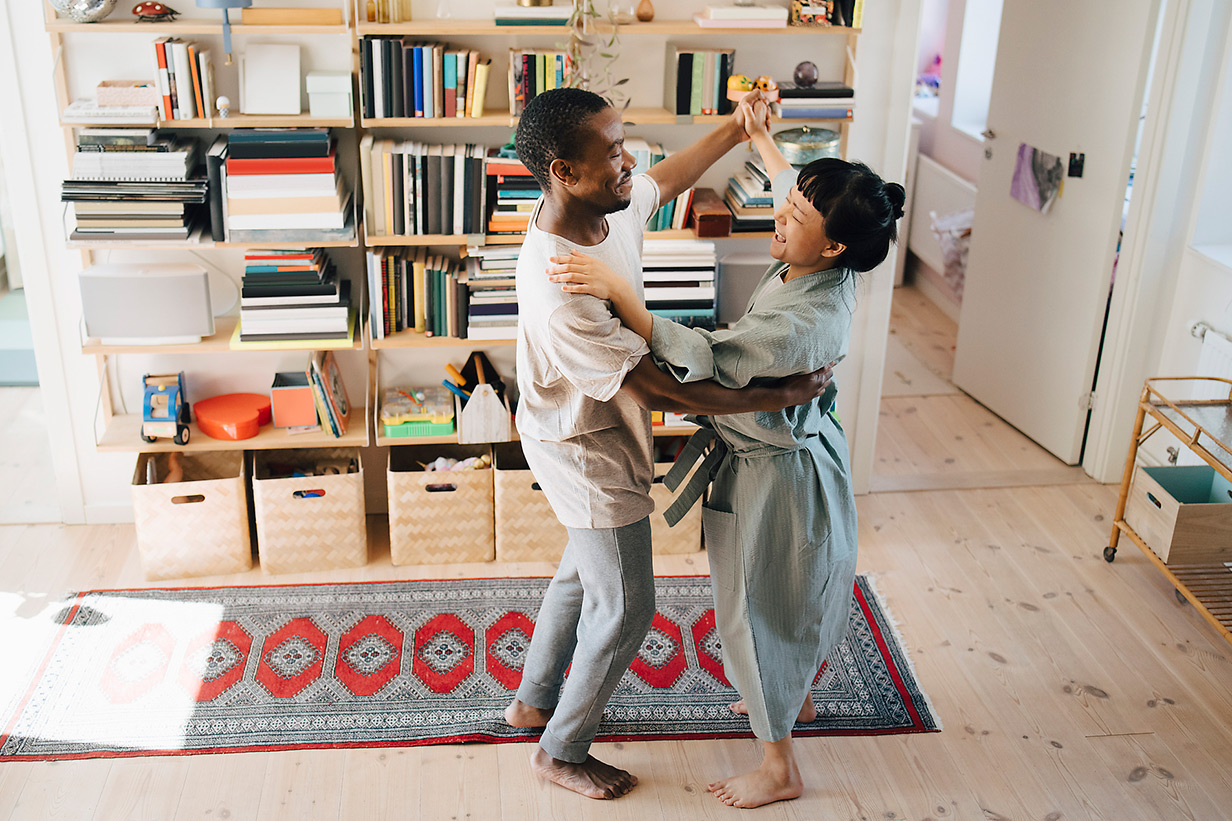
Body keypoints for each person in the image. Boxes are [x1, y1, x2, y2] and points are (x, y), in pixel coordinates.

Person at [545, 95, 905, 808]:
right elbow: (791, 187)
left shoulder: (808, 320)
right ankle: (787, 698)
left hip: (778, 474)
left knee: (756, 604)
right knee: (784, 593)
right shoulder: (830, 254)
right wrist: (760, 137)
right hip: (784, 458)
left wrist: (622, 292)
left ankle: (780, 767)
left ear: (831, 244)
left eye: (796, 218)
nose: (780, 214)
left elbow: (719, 355)